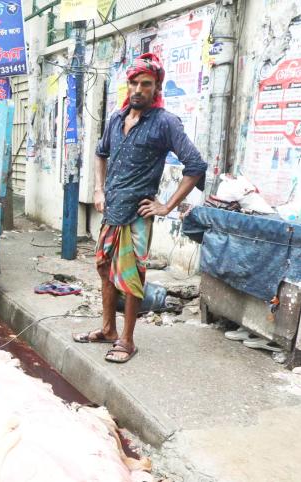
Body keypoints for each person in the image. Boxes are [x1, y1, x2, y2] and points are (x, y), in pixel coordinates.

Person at [72, 53, 207, 363]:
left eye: (145, 84)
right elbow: (100, 153)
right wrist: (98, 188)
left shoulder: (165, 123)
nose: (137, 89)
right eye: (133, 83)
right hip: (112, 211)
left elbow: (195, 165)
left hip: (138, 215)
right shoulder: (117, 120)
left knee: (132, 277)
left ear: (156, 87)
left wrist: (166, 206)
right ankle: (107, 329)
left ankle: (127, 340)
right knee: (105, 270)